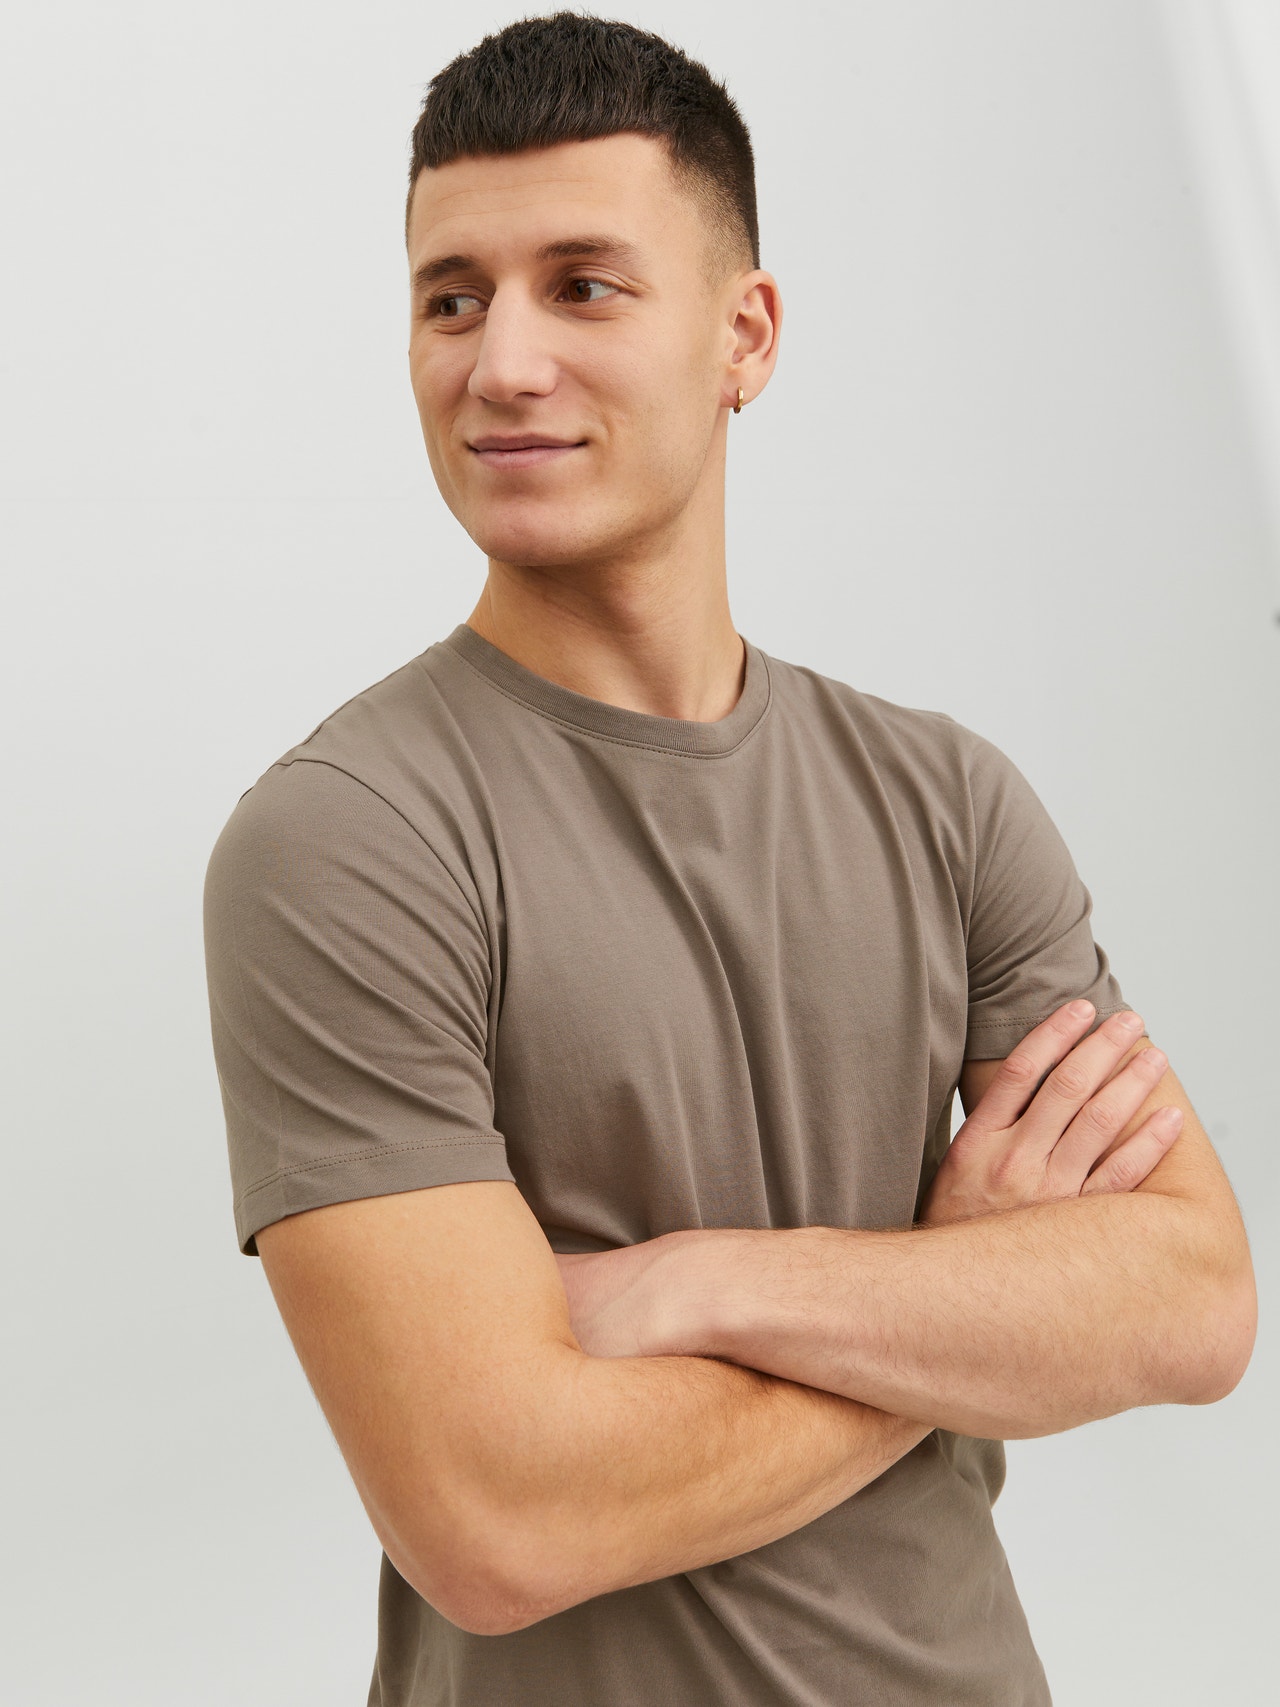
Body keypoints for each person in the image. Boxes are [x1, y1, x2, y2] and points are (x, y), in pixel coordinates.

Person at [202, 14, 1256, 1705]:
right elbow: (498, 1518)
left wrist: (697, 1284)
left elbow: (1193, 1304)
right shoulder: (349, 839)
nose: (501, 364)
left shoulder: (946, 798)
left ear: (743, 336)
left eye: (583, 286)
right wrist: (956, 1290)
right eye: (451, 298)